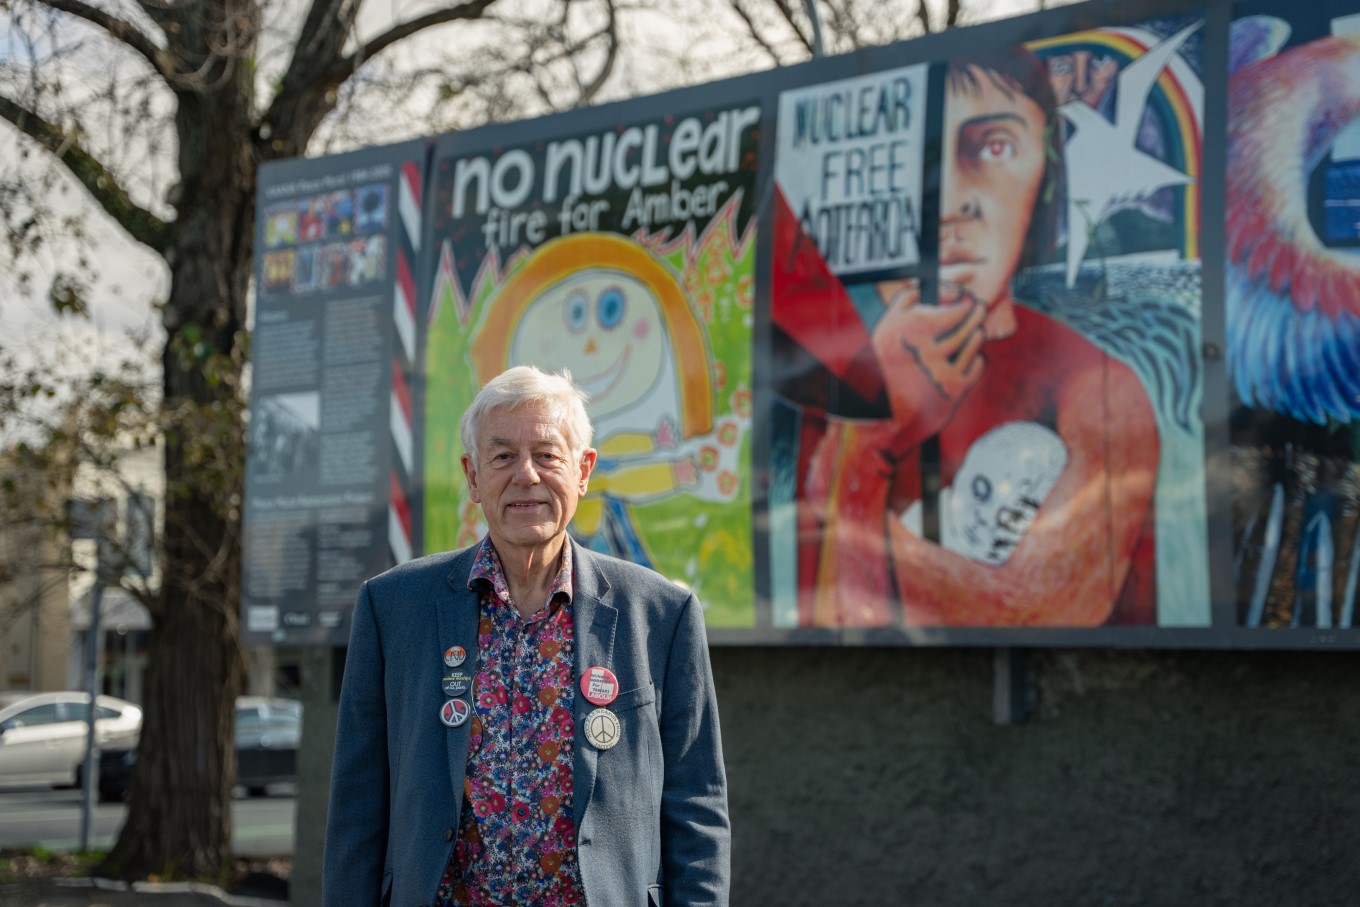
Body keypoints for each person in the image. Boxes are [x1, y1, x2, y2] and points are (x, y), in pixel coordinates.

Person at [323, 365, 730, 906]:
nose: (526, 476)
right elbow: (357, 808)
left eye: (547, 454)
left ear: (583, 471)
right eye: (502, 457)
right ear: (472, 477)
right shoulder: (393, 608)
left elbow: (696, 808)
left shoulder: (661, 615)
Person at [800, 47, 1160, 627]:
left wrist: (862, 456)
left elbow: (1035, 610)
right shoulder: (826, 384)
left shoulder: (1099, 392)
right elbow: (821, 612)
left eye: (993, 147)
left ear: (1045, 180)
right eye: (914, 166)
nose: (949, 204)